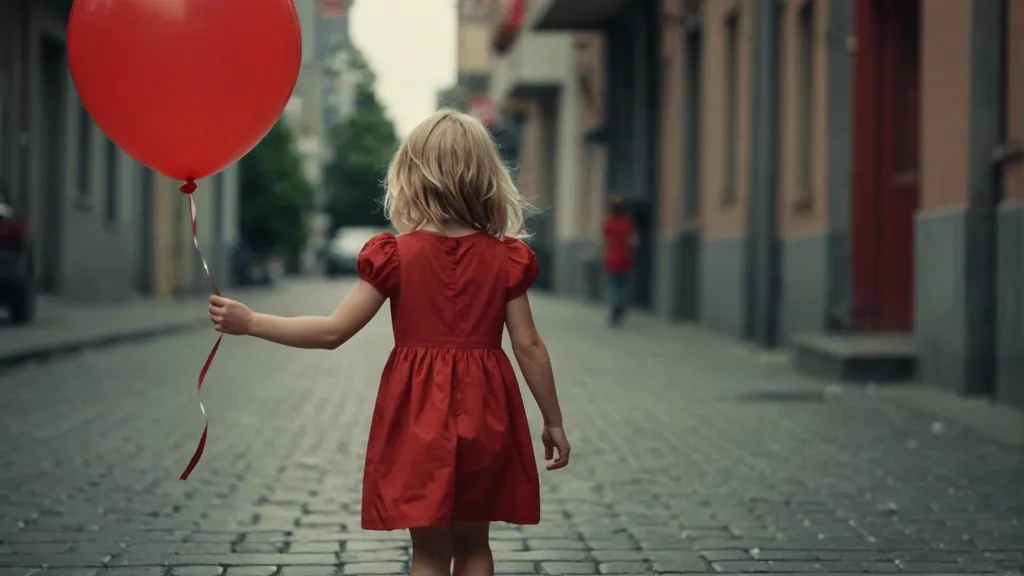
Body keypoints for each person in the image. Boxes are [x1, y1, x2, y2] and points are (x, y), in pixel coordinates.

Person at [207, 109, 570, 576]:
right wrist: (553, 421)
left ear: (413, 177)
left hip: (418, 412)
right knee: (475, 545)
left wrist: (253, 321)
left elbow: (334, 332)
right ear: (486, 178)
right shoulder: (506, 259)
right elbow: (529, 346)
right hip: (488, 409)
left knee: (429, 553)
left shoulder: (396, 256)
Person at [601, 195, 637, 326]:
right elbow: (633, 240)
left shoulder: (608, 222)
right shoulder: (627, 222)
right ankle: (621, 305)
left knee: (612, 285)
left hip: (611, 258)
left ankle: (614, 306)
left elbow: (605, 239)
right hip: (625, 258)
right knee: (624, 286)